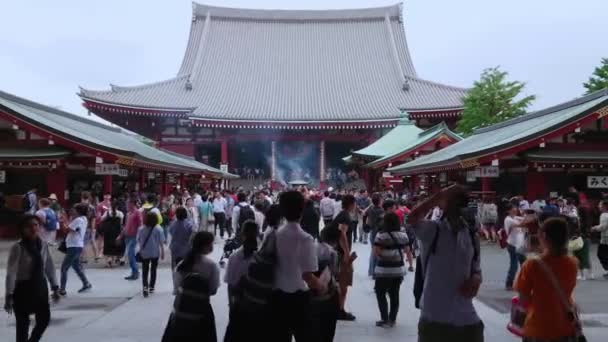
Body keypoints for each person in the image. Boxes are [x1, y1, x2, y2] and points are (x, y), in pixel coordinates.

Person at [408, 185, 483, 342]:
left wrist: (476, 277)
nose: (459, 207)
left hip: (466, 317)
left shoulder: (470, 234)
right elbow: (412, 219)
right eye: (455, 202)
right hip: (435, 316)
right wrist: (438, 197)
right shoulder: (433, 230)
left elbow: (476, 266)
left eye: (462, 203)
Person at [271, 190, 326, 341]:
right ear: (302, 210)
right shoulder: (305, 238)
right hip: (299, 297)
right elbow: (308, 275)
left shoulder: (273, 235)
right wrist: (322, 286)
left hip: (276, 295)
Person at [514, 217, 579, 342]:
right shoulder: (573, 263)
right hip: (565, 325)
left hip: (538, 328)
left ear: (543, 236)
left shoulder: (532, 264)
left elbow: (523, 300)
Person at [5, 215, 60, 342]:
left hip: (40, 287)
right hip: (23, 289)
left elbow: (49, 266)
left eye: (36, 225)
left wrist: (55, 287)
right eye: (29, 226)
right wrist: (9, 295)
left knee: (44, 319)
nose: (33, 228)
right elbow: (11, 272)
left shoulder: (43, 245)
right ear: (22, 229)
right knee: (22, 325)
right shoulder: (18, 247)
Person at [162, 231, 219, 342]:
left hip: (181, 311)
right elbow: (213, 290)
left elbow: (176, 289)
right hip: (202, 312)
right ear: (206, 245)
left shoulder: (182, 265)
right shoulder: (211, 266)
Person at [223, 220, 259, 342]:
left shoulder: (234, 257)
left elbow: (230, 284)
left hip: (239, 306)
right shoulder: (262, 256)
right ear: (258, 234)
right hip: (258, 307)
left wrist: (231, 305)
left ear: (242, 235)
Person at [373, 212, 408, 328]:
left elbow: (376, 252)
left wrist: (384, 256)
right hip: (398, 269)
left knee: (380, 293)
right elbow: (407, 250)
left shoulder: (380, 235)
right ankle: (392, 319)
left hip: (383, 269)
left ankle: (384, 318)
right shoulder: (403, 235)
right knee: (394, 293)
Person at [312, 225, 341, 342]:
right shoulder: (332, 253)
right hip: (328, 296)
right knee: (327, 330)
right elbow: (334, 273)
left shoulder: (311, 247)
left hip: (310, 294)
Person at [332, 194, 357, 321]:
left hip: (338, 252)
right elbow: (342, 234)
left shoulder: (342, 215)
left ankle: (338, 308)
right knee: (343, 282)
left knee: (341, 283)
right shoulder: (345, 216)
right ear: (351, 204)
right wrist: (347, 254)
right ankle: (339, 310)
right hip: (340, 254)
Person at [59, 204, 93, 295]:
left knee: (64, 268)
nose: (72, 211)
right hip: (77, 245)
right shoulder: (84, 219)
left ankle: (62, 289)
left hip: (73, 246)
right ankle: (86, 283)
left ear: (78, 211)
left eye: (74, 209)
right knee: (76, 266)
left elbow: (67, 230)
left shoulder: (78, 220)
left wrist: (62, 222)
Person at [137, 211, 165, 297]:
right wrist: (162, 252)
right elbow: (161, 242)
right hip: (155, 252)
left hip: (144, 252)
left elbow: (138, 240)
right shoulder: (158, 228)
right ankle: (152, 286)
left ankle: (145, 287)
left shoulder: (141, 229)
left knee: (145, 271)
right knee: (153, 269)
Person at [169, 207, 193, 284]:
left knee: (175, 267)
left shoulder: (173, 224)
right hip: (186, 248)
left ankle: (176, 284)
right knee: (186, 267)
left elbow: (171, 232)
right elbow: (191, 235)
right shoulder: (189, 224)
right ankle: (185, 283)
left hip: (175, 248)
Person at [504, 204, 526, 290]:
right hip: (512, 245)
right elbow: (522, 224)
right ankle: (509, 283)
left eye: (515, 208)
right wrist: (526, 217)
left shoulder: (515, 218)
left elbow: (524, 220)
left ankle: (525, 282)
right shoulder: (508, 219)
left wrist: (527, 215)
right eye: (513, 209)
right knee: (514, 265)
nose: (515, 210)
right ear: (508, 211)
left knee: (524, 264)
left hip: (519, 244)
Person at [98, 200, 125, 267]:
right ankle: (115, 259)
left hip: (108, 232)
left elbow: (101, 219)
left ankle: (109, 260)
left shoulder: (107, 212)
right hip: (117, 231)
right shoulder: (120, 213)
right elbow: (121, 223)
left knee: (108, 246)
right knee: (115, 246)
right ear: (117, 206)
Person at [120, 199, 141, 280]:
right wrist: (121, 235)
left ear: (132, 204)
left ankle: (135, 272)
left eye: (127, 204)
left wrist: (139, 236)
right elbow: (126, 226)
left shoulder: (137, 213)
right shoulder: (128, 214)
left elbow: (140, 224)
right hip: (127, 236)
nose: (126, 205)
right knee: (129, 255)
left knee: (130, 254)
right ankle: (134, 272)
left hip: (134, 236)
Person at [367, 193, 384, 277]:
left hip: (372, 232)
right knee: (377, 253)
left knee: (373, 252)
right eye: (381, 199)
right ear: (379, 201)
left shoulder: (370, 208)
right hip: (378, 233)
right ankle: (375, 272)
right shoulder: (381, 211)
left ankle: (371, 271)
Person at [80, 192, 98, 263]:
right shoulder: (92, 207)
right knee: (92, 241)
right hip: (89, 226)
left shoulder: (80, 206)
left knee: (83, 242)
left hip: (84, 226)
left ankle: (84, 258)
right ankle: (96, 256)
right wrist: (93, 228)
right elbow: (93, 219)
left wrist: (92, 228)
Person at [591, 200, 608, 278]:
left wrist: (594, 228)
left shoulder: (604, 215)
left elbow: (603, 227)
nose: (598, 206)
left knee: (601, 254)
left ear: (604, 206)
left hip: (606, 239)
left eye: (600, 205)